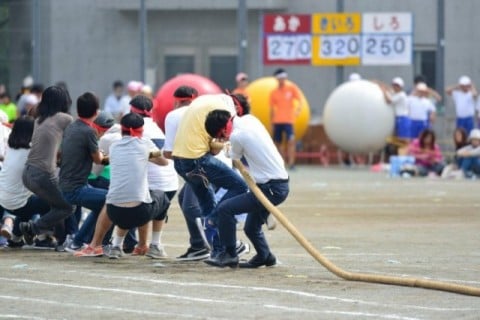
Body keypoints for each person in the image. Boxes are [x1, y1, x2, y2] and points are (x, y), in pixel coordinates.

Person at [203, 109, 289, 268]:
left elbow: (231, 155)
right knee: (251, 227)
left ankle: (229, 254)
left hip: (270, 189)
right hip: (276, 184)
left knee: (224, 209)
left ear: (223, 129)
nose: (223, 138)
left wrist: (217, 144)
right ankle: (265, 256)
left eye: (221, 136)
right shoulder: (250, 120)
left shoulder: (237, 136)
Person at [105, 112, 171, 259]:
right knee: (162, 197)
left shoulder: (114, 146)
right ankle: (155, 246)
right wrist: (148, 155)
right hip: (140, 213)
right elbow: (164, 162)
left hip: (113, 212)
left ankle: (116, 246)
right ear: (140, 129)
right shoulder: (145, 144)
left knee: (125, 197)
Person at [19, 86, 74, 247]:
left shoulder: (39, 118)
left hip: (28, 173)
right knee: (68, 206)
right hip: (42, 174)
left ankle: (57, 237)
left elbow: (32, 111)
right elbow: (76, 136)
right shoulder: (64, 118)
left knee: (56, 204)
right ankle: (33, 228)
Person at [126, 94, 178, 258]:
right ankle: (154, 244)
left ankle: (121, 244)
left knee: (136, 205)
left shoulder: (136, 129)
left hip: (151, 185)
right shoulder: (156, 128)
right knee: (157, 210)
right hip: (171, 184)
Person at [58, 92, 109, 251]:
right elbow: (98, 160)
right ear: (96, 112)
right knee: (112, 201)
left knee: (102, 204)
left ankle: (79, 240)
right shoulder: (88, 132)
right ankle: (90, 242)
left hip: (65, 185)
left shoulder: (71, 127)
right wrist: (115, 157)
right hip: (76, 188)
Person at [0, 117, 50, 247]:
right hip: (18, 203)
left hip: (3, 199)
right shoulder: (31, 150)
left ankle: (15, 238)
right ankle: (42, 235)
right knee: (55, 200)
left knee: (26, 202)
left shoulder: (11, 147)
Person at [269, 68, 301, 170]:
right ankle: (281, 162)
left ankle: (291, 163)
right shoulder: (273, 92)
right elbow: (272, 109)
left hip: (289, 121)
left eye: (283, 78)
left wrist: (297, 110)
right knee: (277, 143)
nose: (282, 80)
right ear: (277, 79)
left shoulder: (291, 88)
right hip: (277, 121)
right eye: (280, 78)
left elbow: (299, 100)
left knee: (291, 141)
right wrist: (272, 123)